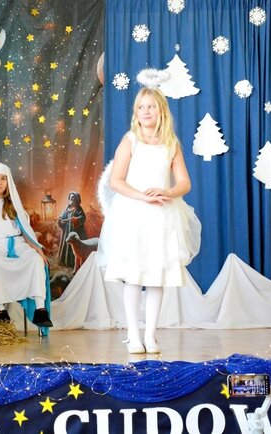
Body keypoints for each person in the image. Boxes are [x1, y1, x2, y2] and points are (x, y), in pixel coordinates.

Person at [97, 87, 201, 354]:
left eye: (151, 107)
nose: (145, 111)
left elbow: (184, 182)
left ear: (161, 110)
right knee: (133, 276)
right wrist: (142, 196)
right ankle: (133, 335)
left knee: (156, 277)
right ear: (136, 112)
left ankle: (151, 335)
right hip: (133, 215)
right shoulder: (130, 141)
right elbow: (116, 181)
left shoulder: (171, 144)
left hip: (162, 216)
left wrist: (168, 192)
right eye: (141, 107)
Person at [0, 163, 53, 328]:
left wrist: (38, 250)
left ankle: (40, 309)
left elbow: (25, 231)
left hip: (17, 242)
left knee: (35, 260)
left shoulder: (14, 205)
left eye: (3, 179)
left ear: (8, 182)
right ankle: (0, 310)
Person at [57, 192, 87, 268]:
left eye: (72, 197)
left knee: (75, 246)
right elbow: (62, 216)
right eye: (70, 197)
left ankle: (74, 263)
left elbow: (83, 218)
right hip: (67, 231)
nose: (70, 198)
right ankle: (65, 261)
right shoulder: (67, 209)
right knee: (67, 244)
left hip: (76, 231)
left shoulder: (78, 209)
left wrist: (76, 219)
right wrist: (61, 220)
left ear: (76, 199)